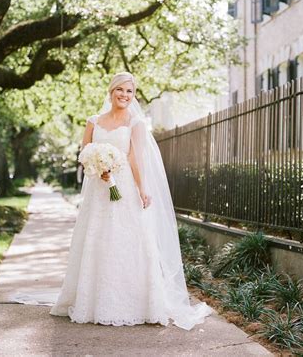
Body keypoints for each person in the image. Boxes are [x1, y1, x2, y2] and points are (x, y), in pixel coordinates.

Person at [48, 71, 212, 329]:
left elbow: (136, 158)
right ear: (111, 91)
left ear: (133, 96)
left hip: (124, 188)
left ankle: (135, 302)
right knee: (97, 238)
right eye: (120, 90)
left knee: (128, 241)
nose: (124, 95)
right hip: (98, 190)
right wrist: (95, 165)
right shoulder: (94, 121)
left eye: (129, 91)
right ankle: (92, 300)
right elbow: (84, 151)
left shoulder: (135, 123)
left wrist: (142, 189)